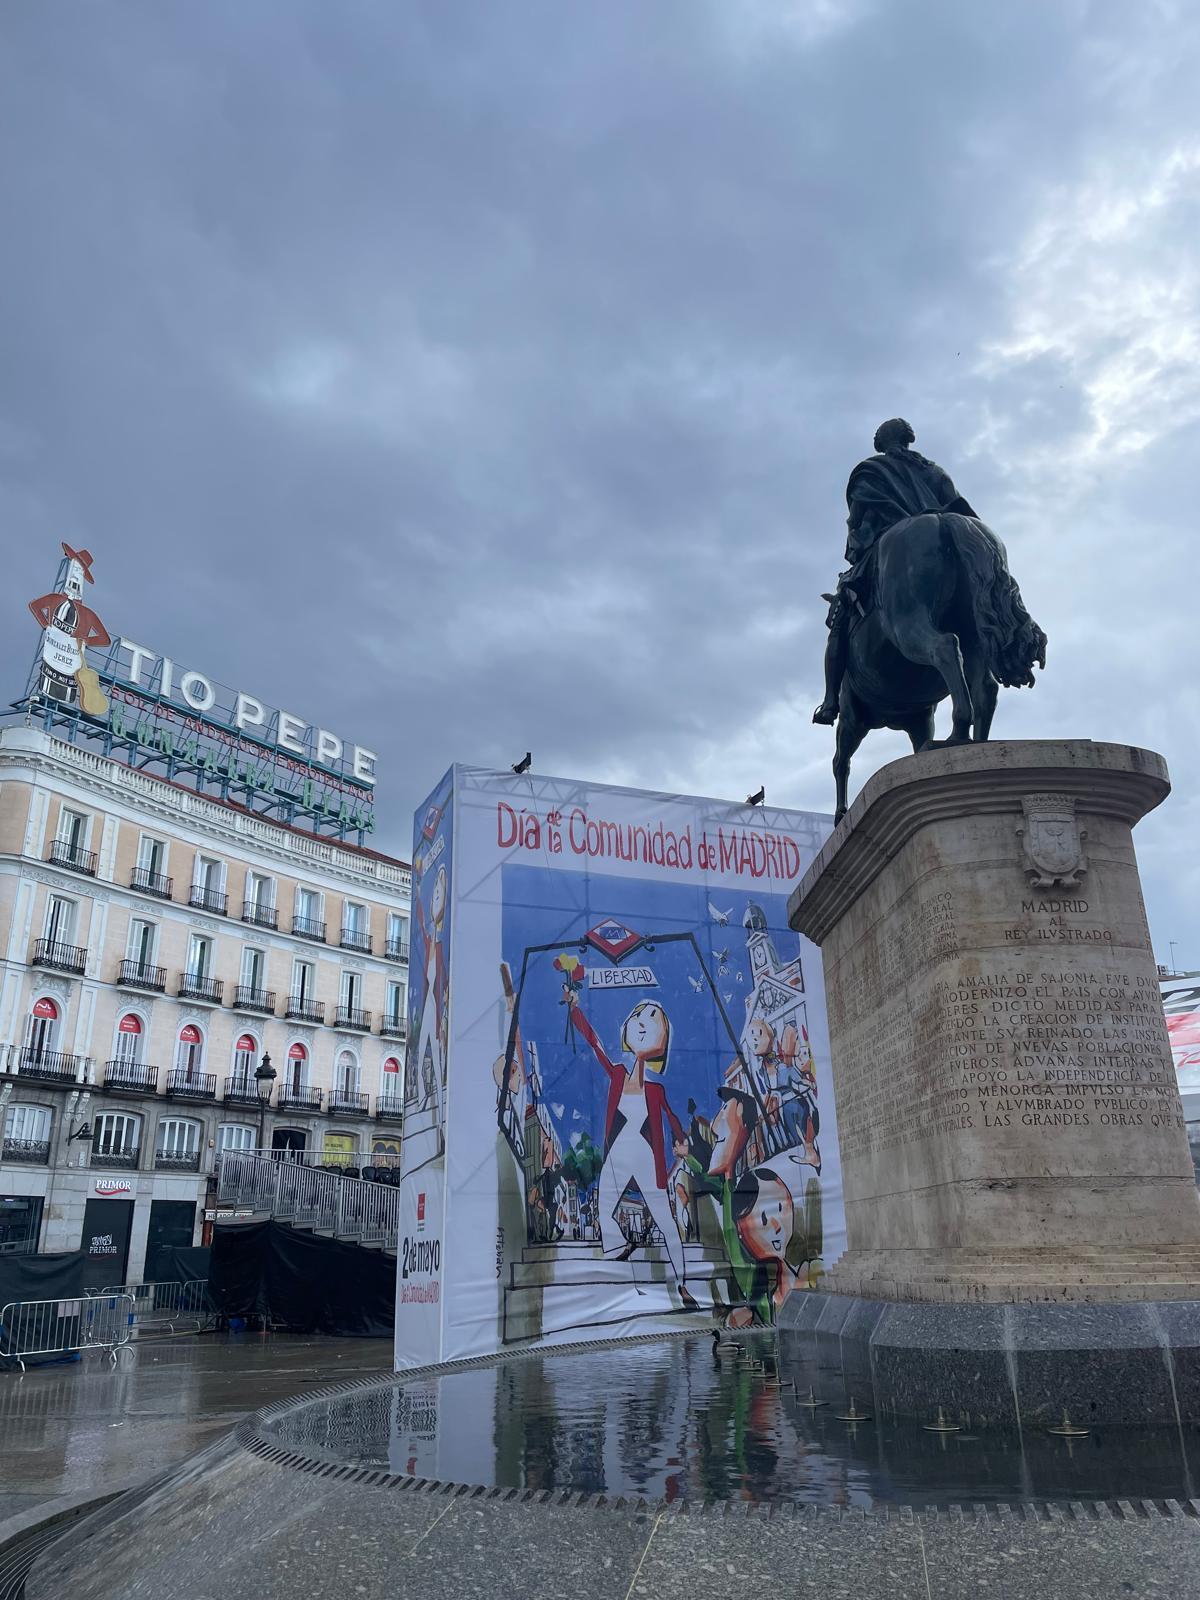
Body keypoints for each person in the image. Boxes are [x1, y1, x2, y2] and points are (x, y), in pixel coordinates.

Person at [813, 419, 978, 725]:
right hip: (951, 547)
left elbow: (858, 520)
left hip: (888, 547)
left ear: (882, 442)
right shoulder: (935, 471)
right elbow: (957, 508)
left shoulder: (870, 470)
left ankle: (829, 702)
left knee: (840, 613)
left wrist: (856, 547)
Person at [565, 989, 695, 1306]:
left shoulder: (656, 1089)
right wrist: (575, 1010)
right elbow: (595, 1045)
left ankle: (683, 1286)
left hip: (647, 1158)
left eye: (652, 1020)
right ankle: (621, 1245)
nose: (642, 1024)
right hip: (618, 1152)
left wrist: (681, 1142)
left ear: (661, 1042)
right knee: (604, 1203)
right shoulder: (618, 1074)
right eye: (639, 1016)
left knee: (666, 1222)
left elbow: (673, 1119)